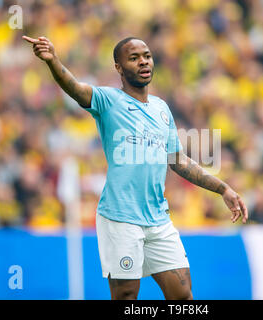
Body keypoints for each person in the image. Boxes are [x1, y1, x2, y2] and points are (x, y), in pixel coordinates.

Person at [23, 35, 249, 300]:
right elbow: (74, 87)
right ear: (118, 67)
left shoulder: (161, 109)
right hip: (120, 217)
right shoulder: (109, 101)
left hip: (157, 218)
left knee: (183, 295)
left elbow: (178, 160)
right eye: (133, 58)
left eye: (147, 56)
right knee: (127, 297)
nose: (143, 62)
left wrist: (223, 189)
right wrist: (53, 61)